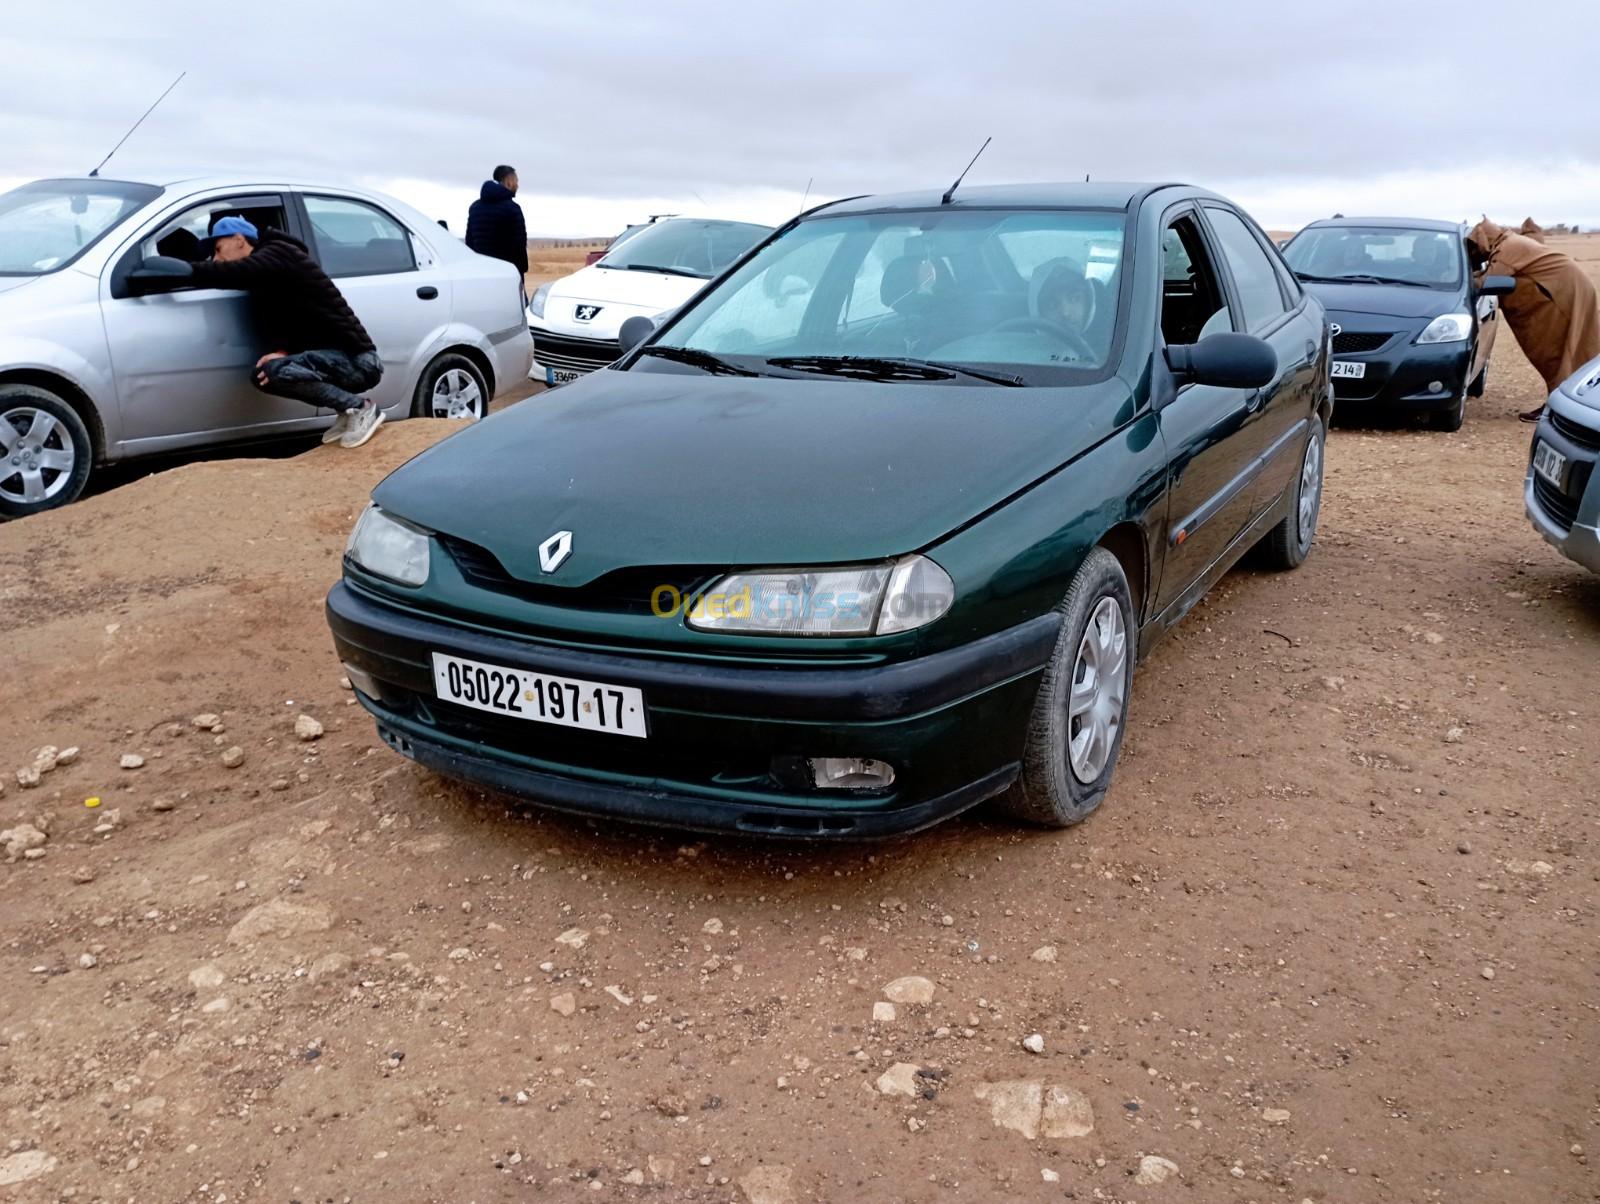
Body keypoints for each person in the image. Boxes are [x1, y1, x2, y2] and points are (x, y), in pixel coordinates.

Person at [184, 216, 385, 447]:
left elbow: (233, 272)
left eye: (218, 249)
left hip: (358, 362)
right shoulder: (268, 274)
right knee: (264, 375)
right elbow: (291, 319)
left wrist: (185, 270)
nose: (216, 259)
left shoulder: (279, 253)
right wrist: (281, 351)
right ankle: (347, 410)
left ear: (239, 240)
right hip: (332, 358)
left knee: (276, 371)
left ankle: (361, 408)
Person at [1467, 218, 1600, 421]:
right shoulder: (1510, 242)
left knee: (1561, 350)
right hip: (1570, 289)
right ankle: (1564, 405)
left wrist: (1457, 279)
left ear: (1485, 239)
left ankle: (1562, 409)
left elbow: (1487, 281)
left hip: (1566, 294)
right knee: (1568, 349)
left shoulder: (1507, 250)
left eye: (1475, 247)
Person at [465, 165, 529, 293]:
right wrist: (521, 270)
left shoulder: (475, 208)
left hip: (482, 273)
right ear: (508, 181)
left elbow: (470, 243)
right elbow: (519, 246)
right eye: (516, 181)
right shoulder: (513, 209)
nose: (517, 185)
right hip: (508, 274)